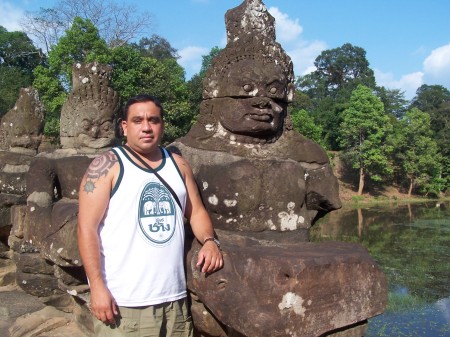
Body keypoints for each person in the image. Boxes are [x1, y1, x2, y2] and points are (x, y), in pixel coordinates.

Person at [77, 94, 223, 337]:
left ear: (161, 125)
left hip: (174, 299)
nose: (146, 127)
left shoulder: (178, 165)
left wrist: (210, 241)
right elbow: (86, 229)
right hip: (124, 302)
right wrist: (97, 287)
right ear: (124, 127)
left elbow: (196, 211)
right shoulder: (107, 166)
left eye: (153, 120)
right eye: (138, 120)